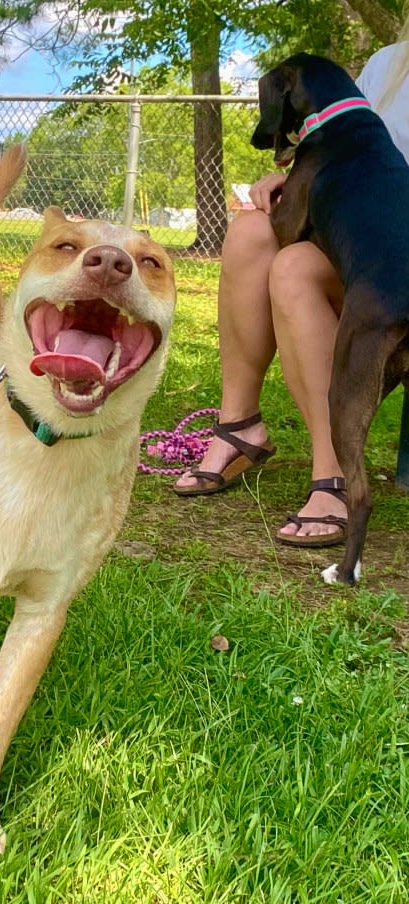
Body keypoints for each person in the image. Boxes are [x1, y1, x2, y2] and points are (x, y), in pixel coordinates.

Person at [173, 20, 409, 548]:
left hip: (397, 254)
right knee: (249, 234)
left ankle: (335, 473)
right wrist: (297, 177)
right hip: (358, 232)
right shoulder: (387, 63)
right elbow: (340, 142)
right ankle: (240, 426)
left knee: (293, 268)